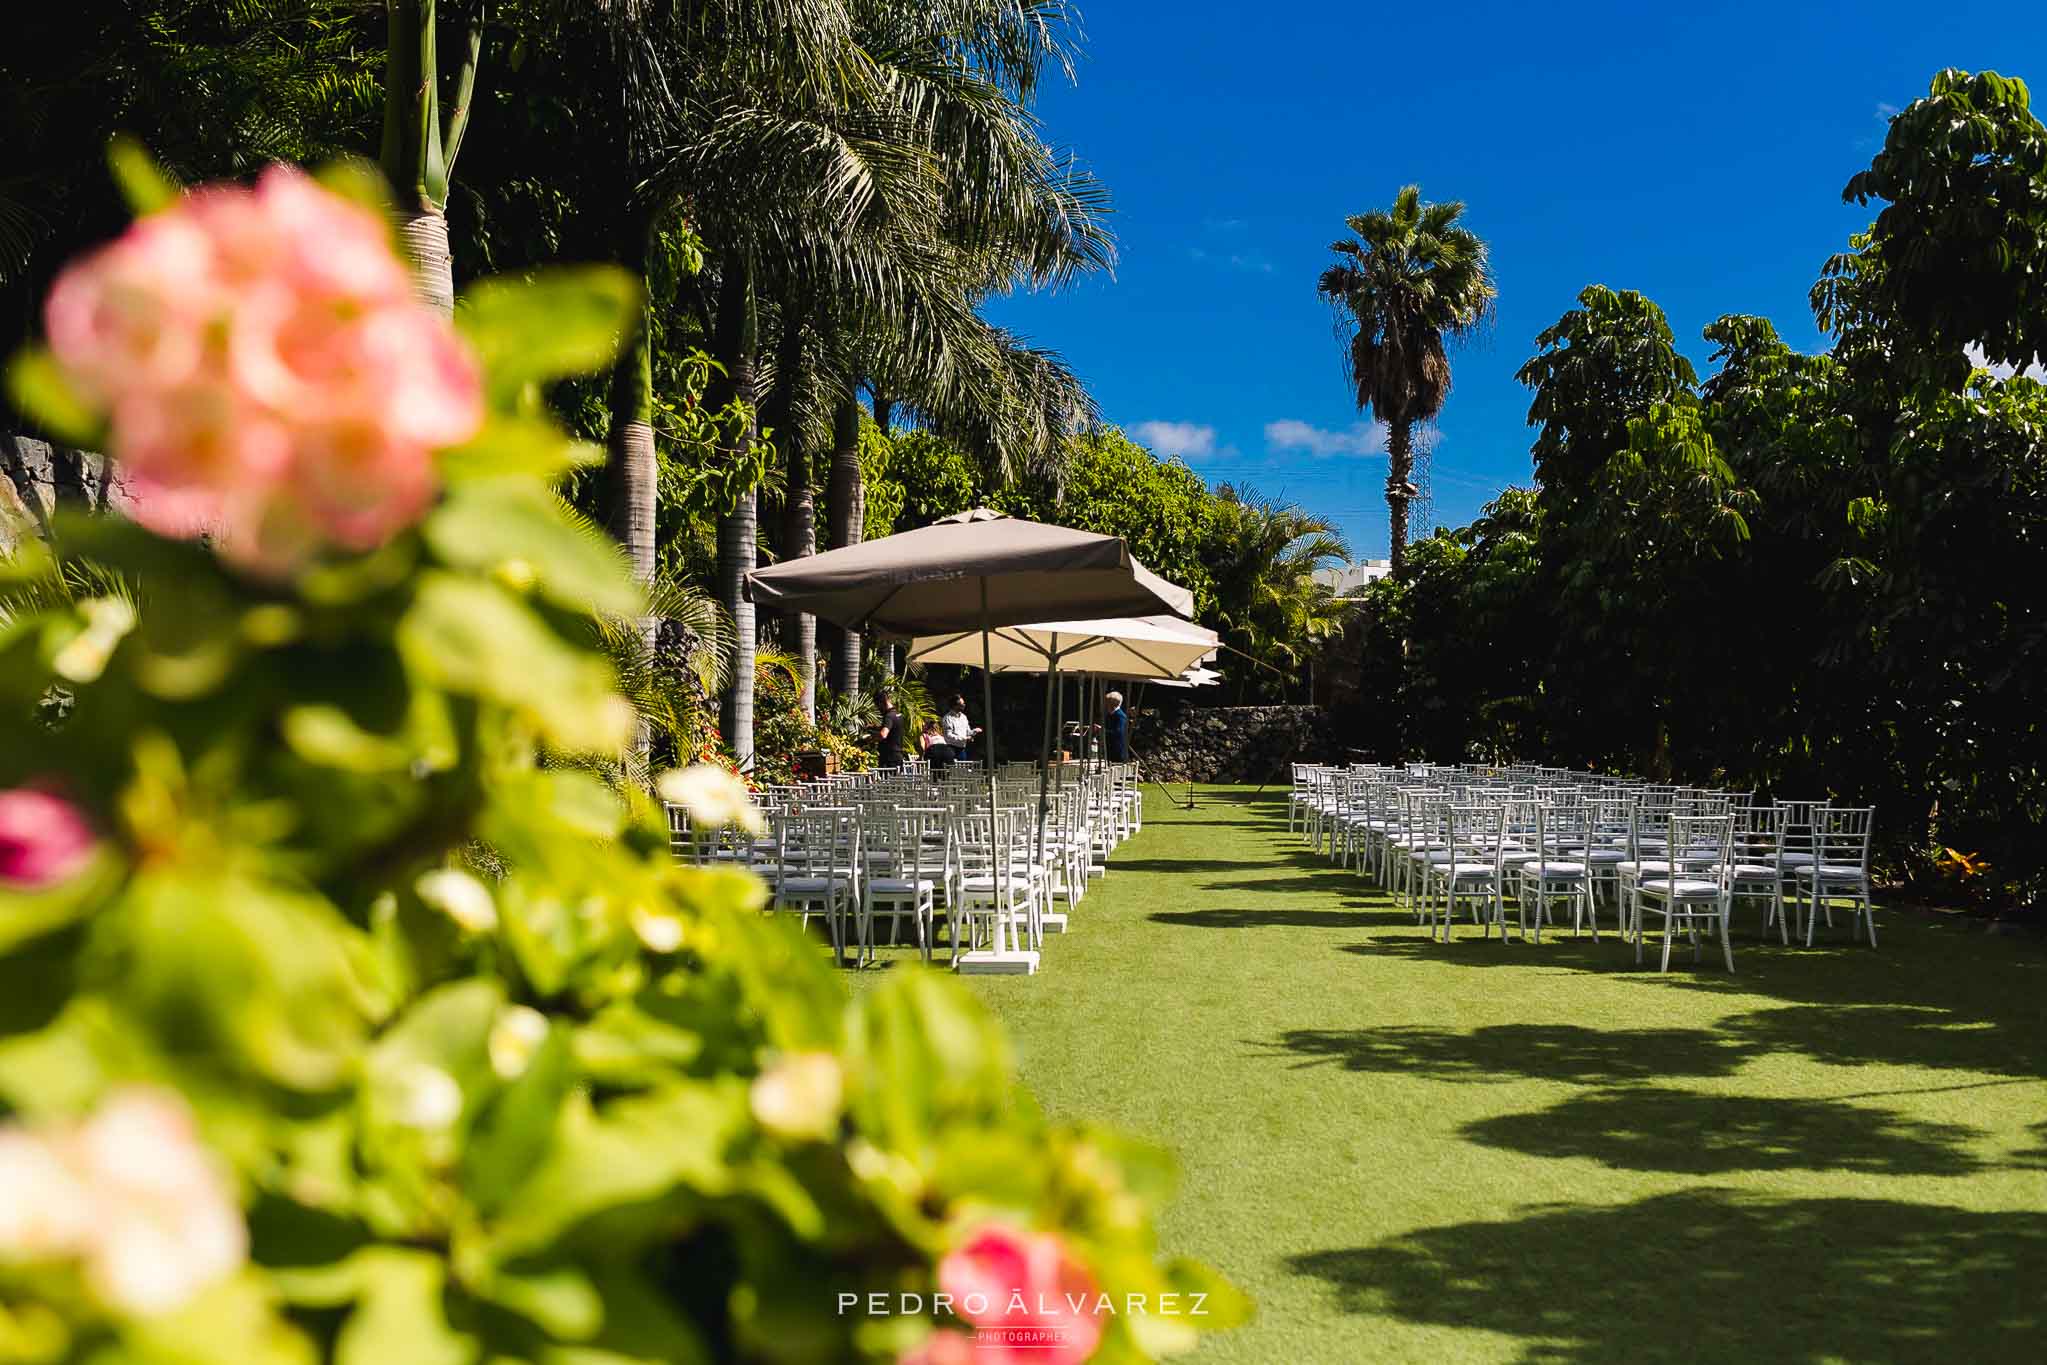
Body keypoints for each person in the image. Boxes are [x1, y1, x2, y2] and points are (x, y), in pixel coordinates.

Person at [941, 694, 982, 763]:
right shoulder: (947, 718)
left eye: (964, 703)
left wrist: (974, 731)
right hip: (951, 749)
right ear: (955, 706)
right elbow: (948, 736)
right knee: (952, 770)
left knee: (962, 770)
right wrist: (965, 738)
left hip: (962, 749)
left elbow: (967, 732)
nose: (964, 705)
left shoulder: (964, 717)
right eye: (962, 704)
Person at [875, 690, 907, 769]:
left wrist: (871, 739)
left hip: (889, 758)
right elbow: (893, 729)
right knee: (897, 781)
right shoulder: (898, 715)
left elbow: (883, 734)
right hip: (898, 755)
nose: (878, 709)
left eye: (878, 706)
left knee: (886, 781)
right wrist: (875, 727)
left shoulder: (888, 716)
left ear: (881, 703)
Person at [1103, 690, 1129, 762]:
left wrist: (1103, 730)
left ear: (1112, 704)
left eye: (1107, 702)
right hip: (1110, 750)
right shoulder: (1109, 715)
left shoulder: (1120, 716)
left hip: (1118, 752)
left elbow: (1118, 732)